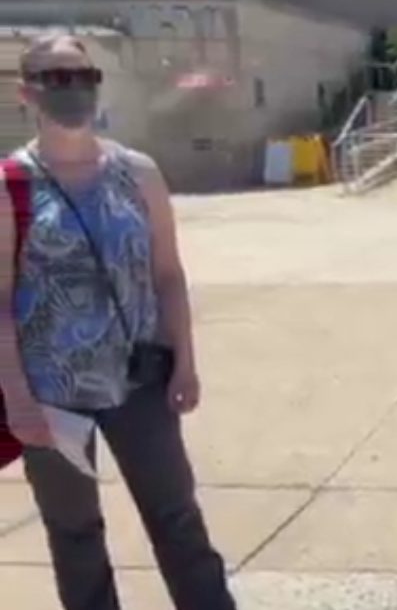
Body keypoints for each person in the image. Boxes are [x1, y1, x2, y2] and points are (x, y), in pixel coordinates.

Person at [0, 34, 236, 610]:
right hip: (52, 394)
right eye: (56, 79)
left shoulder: (138, 172)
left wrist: (185, 361)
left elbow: (168, 275)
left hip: (140, 381)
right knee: (75, 532)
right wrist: (17, 399)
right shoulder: (12, 183)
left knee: (176, 516)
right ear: (27, 92)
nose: (73, 89)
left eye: (83, 75)